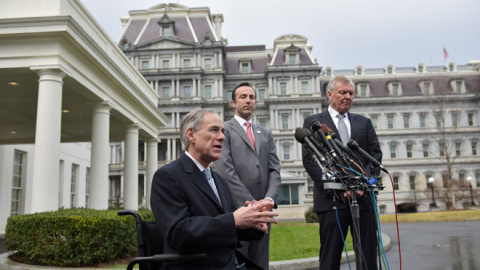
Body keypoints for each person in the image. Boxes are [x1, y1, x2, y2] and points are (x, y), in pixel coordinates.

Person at [151, 108, 279, 270]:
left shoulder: (219, 180)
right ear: (191, 135)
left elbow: (225, 228)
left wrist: (253, 224)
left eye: (223, 131)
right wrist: (234, 219)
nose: (222, 137)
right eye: (214, 130)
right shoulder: (168, 176)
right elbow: (178, 234)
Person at [302, 75, 383, 270]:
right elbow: (310, 160)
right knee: (330, 257)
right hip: (331, 203)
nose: (348, 96)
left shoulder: (364, 123)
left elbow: (375, 156)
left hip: (363, 201)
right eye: (343, 92)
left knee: (368, 257)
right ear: (330, 94)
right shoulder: (313, 122)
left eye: (351, 93)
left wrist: (364, 185)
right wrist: (335, 188)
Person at [214, 82, 281, 270]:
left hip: (264, 210)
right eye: (243, 97)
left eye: (251, 97)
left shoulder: (265, 133)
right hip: (238, 209)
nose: (248, 101)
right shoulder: (223, 130)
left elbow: (275, 169)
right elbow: (225, 170)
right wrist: (252, 204)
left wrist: (268, 200)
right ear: (233, 102)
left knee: (260, 262)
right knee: (239, 260)